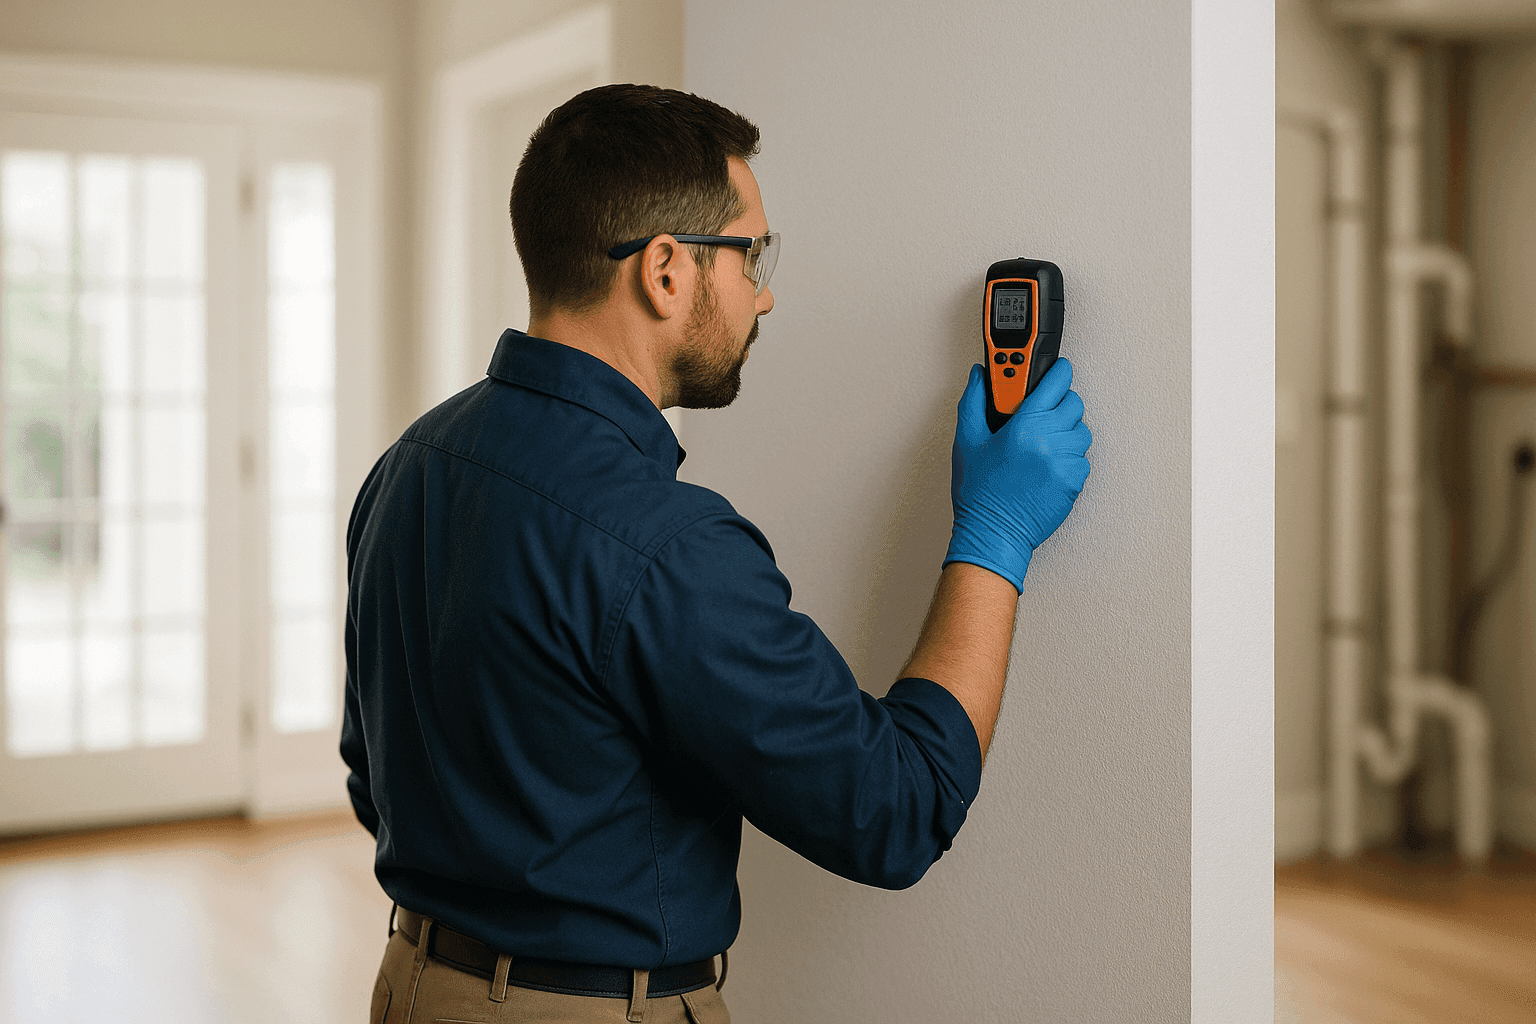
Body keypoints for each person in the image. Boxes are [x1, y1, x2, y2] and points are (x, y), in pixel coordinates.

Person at [341, 83, 1091, 1024]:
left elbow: (375, 774)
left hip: (411, 989)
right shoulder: (665, 545)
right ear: (665, 270)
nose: (764, 292)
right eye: (751, 255)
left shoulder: (407, 465)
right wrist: (995, 535)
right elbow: (898, 811)